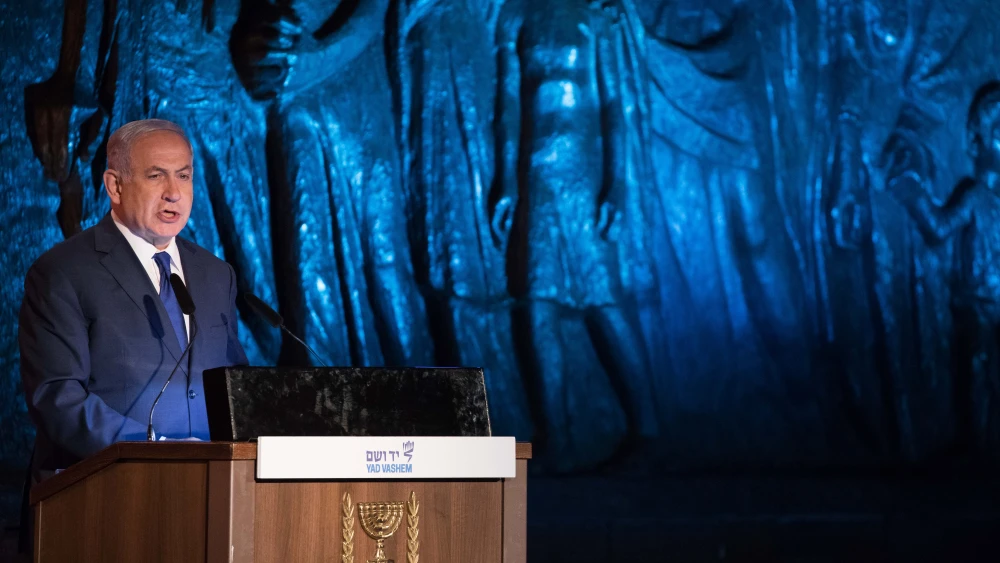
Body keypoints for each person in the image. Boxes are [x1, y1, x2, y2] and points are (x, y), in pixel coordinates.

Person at [19, 119, 249, 480]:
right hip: (105, 490)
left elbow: (234, 385)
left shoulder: (216, 274)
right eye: (157, 176)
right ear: (115, 185)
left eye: (184, 176)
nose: (174, 192)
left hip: (211, 487)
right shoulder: (64, 271)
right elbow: (58, 396)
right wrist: (153, 446)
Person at [886, 80, 1000, 456]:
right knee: (979, 375)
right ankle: (979, 452)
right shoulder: (974, 196)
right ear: (976, 142)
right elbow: (938, 230)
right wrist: (913, 194)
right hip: (979, 306)